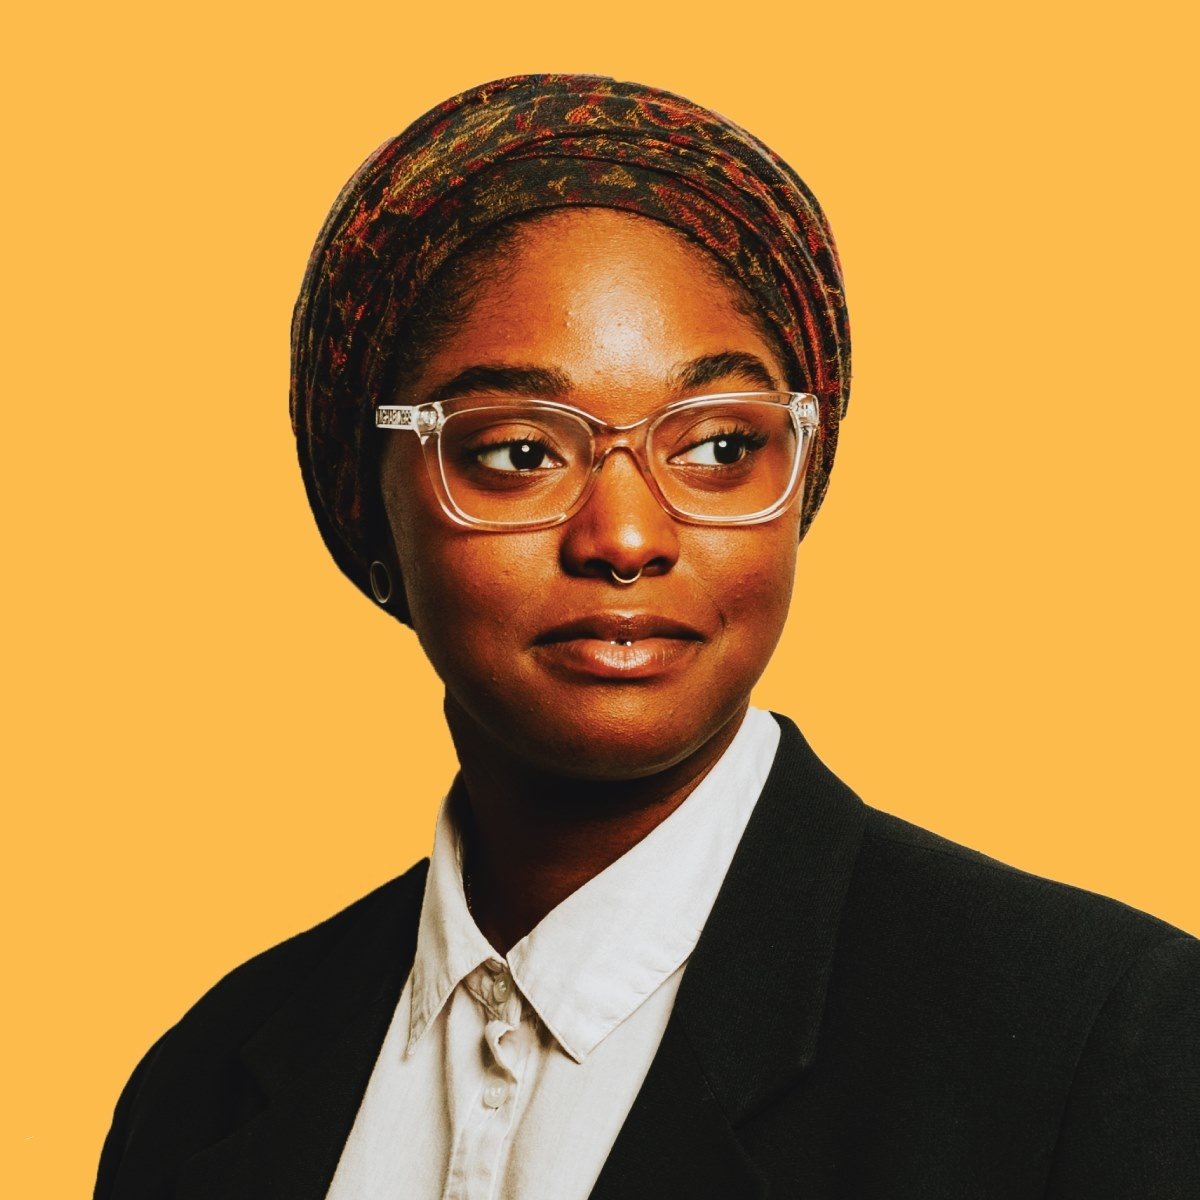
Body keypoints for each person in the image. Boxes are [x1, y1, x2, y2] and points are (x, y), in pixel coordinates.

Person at [95, 74, 1200, 1200]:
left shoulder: (1104, 1044)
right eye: (520, 451)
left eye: (719, 446)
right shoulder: (202, 1092)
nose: (625, 535)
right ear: (370, 503)